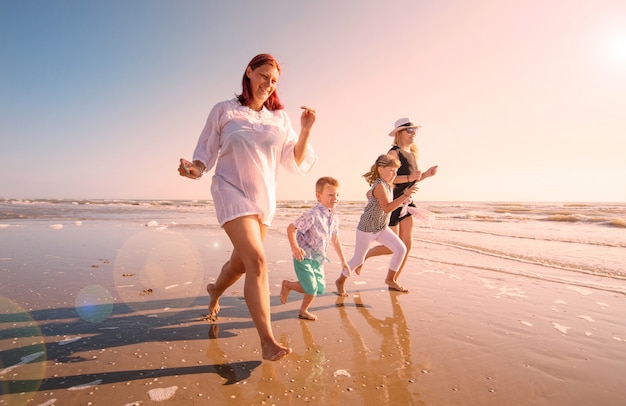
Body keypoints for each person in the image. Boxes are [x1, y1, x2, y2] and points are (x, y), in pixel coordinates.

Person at [177, 53, 317, 361]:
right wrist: (194, 170)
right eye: (264, 76)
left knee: (240, 265)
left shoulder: (279, 118)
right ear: (249, 72)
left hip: (263, 200)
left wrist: (305, 130)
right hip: (229, 190)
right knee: (258, 261)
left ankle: (215, 290)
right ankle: (267, 341)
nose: (269, 84)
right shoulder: (225, 110)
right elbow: (204, 155)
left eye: (274, 81)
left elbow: (293, 159)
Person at [353, 117, 438, 288]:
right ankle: (365, 255)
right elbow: (385, 178)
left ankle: (392, 279)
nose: (413, 133)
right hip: (393, 203)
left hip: (407, 202)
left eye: (415, 130)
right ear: (399, 133)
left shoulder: (412, 154)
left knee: (407, 244)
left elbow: (411, 182)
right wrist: (409, 177)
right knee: (393, 247)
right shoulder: (393, 153)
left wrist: (426, 175)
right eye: (409, 130)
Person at [335, 154, 418, 296]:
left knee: (400, 249)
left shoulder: (387, 185)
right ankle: (340, 281)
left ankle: (390, 279)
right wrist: (405, 195)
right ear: (380, 169)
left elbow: (368, 194)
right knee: (358, 259)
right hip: (367, 229)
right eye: (391, 170)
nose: (394, 174)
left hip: (381, 227)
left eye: (396, 171)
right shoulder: (380, 185)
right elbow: (387, 208)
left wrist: (373, 200)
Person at [280, 177, 350, 321]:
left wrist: (344, 261)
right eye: (330, 195)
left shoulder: (334, 216)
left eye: (337, 195)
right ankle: (302, 310)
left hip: (318, 259)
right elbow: (291, 228)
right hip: (303, 256)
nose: (335, 198)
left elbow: (335, 239)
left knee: (319, 289)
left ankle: (289, 285)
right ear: (319, 196)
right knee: (310, 289)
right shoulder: (312, 214)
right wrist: (295, 247)